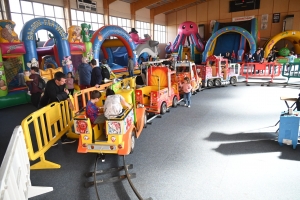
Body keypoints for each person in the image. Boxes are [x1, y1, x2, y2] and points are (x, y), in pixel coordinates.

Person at [39, 71, 75, 145]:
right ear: (57, 81)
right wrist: (65, 94)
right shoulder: (50, 84)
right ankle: (48, 140)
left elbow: (65, 94)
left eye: (64, 80)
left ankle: (63, 138)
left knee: (60, 121)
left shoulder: (63, 84)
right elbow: (55, 97)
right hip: (46, 106)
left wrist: (70, 102)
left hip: (55, 106)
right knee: (47, 123)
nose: (64, 82)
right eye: (62, 81)